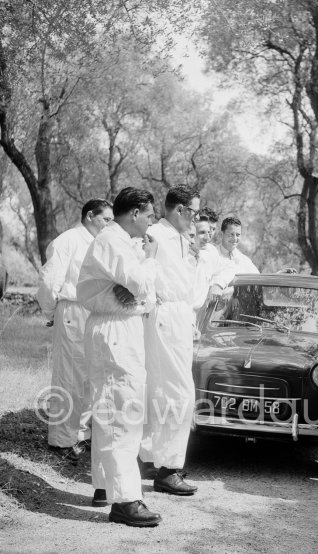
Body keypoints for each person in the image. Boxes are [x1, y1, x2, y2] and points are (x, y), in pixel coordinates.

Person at [77, 187, 161, 527]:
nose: (152, 223)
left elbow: (144, 297)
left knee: (111, 409)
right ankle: (125, 499)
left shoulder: (121, 243)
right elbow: (141, 285)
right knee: (121, 411)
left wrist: (136, 290)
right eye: (150, 215)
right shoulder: (113, 240)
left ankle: (105, 485)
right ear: (135, 214)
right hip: (114, 329)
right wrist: (150, 260)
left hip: (120, 325)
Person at [37, 199, 113, 461]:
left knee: (90, 375)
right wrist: (50, 312)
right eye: (105, 219)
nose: (109, 224)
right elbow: (50, 281)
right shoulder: (67, 240)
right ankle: (61, 440)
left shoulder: (100, 243)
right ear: (90, 215)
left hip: (93, 312)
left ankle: (81, 433)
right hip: (71, 311)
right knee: (69, 375)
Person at [137, 186, 200, 497]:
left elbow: (186, 285)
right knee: (177, 393)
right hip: (163, 315)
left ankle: (151, 458)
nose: (197, 218)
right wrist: (151, 308)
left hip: (177, 316)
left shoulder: (179, 238)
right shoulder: (157, 235)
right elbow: (142, 274)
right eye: (194, 212)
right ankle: (168, 469)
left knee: (163, 390)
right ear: (179, 210)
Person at [191, 217, 235, 323]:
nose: (207, 237)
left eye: (209, 232)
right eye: (202, 233)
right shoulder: (181, 251)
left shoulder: (211, 251)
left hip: (200, 315)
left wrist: (217, 284)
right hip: (180, 313)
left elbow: (228, 269)